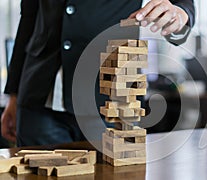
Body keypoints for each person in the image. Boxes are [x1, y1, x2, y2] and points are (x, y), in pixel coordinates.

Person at [1, 0, 195, 146]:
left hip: (113, 103)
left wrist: (178, 17)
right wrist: (14, 94)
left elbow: (183, 9)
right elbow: (29, 18)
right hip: (40, 98)